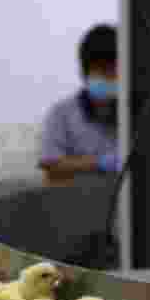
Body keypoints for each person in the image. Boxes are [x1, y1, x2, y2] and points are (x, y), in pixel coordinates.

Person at [38, 24, 121, 185]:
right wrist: (100, 163)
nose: (110, 77)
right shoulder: (61, 114)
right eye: (103, 70)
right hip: (74, 204)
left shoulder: (133, 111)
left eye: (114, 71)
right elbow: (50, 164)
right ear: (85, 73)